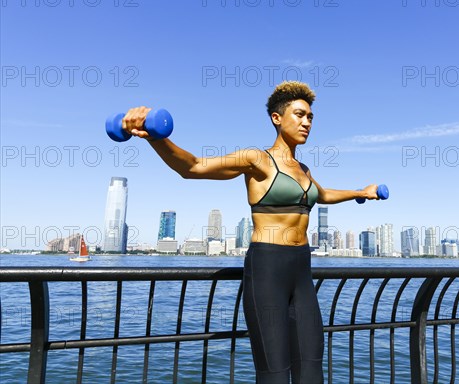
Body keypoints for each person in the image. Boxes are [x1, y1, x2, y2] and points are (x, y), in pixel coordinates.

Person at [121, 81, 381, 383]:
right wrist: (155, 138)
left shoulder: (304, 170)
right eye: (299, 115)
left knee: (311, 366)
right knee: (274, 371)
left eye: (310, 117)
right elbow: (193, 167)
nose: (307, 122)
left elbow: (322, 195)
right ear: (277, 118)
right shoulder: (257, 159)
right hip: (268, 267)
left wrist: (361, 192)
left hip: (301, 269)